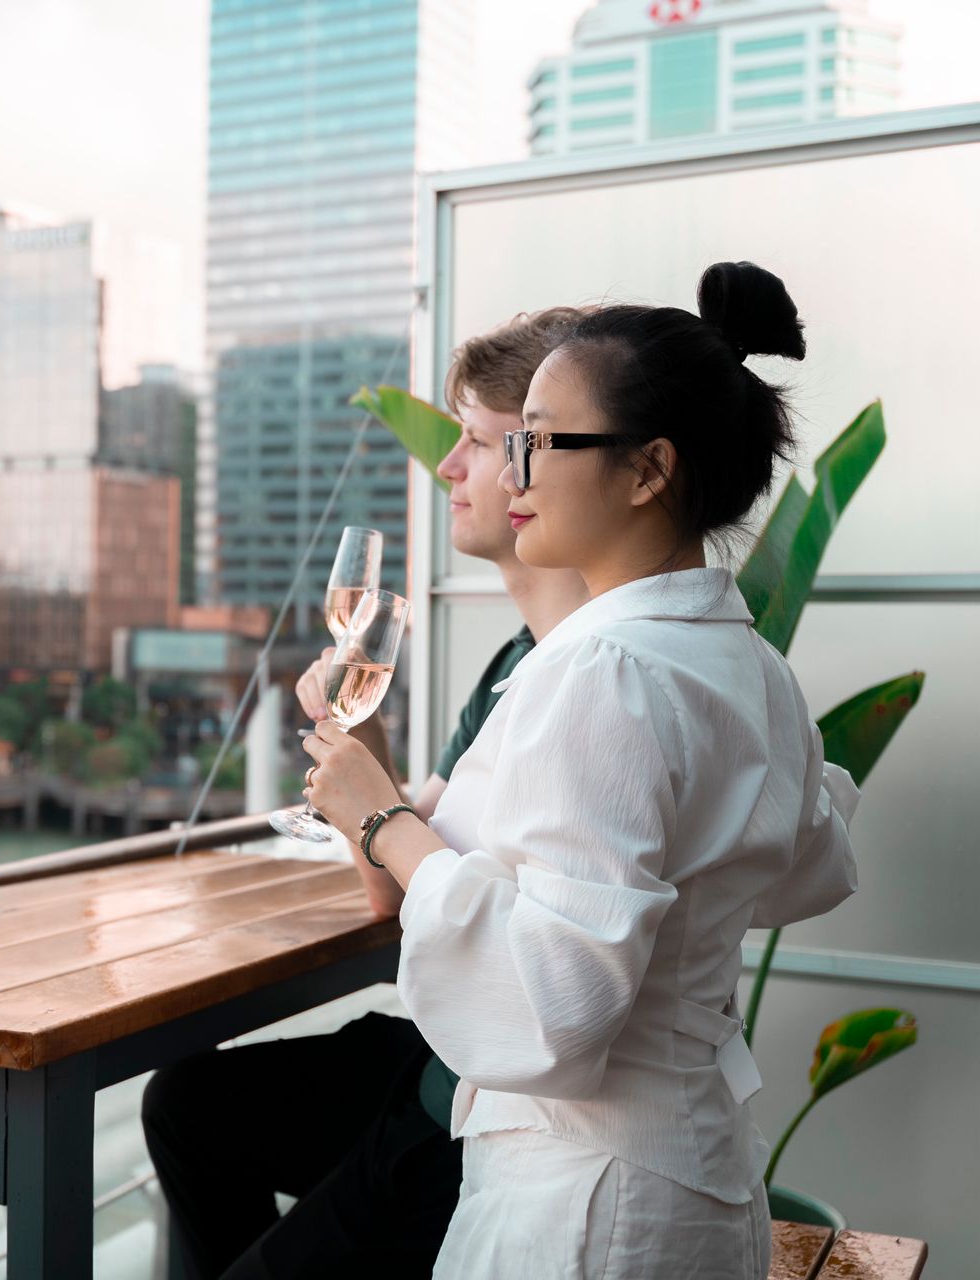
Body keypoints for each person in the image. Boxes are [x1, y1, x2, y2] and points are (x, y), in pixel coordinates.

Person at [304, 262, 859, 1277]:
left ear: (647, 470)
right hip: (696, 1175)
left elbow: (552, 1000)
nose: (510, 473)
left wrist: (385, 821)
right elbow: (808, 864)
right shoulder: (743, 659)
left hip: (588, 1201)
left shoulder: (607, 669)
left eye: (536, 441)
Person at [141, 305, 593, 1279]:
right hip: (435, 1061)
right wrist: (365, 754)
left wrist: (376, 803)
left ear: (545, 461)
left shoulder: (590, 680)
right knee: (187, 1102)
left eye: (472, 441)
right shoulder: (518, 657)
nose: (447, 469)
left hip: (483, 1110)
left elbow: (550, 974)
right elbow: (392, 893)